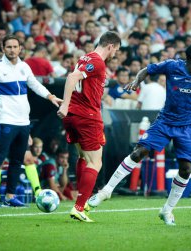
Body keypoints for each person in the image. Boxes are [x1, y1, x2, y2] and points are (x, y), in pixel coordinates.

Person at [88, 43, 191, 226]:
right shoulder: (173, 66)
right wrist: (138, 81)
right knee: (139, 152)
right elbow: (147, 69)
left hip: (187, 126)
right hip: (165, 122)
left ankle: (167, 210)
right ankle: (105, 192)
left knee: (186, 169)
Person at [0, 34, 62, 207]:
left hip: (23, 123)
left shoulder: (24, 67)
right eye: (9, 47)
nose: (12, 50)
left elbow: (35, 85)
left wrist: (50, 96)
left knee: (17, 161)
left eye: (15, 47)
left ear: (20, 48)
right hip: (5, 121)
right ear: (3, 48)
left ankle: (10, 196)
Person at [57, 31, 121, 222]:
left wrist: (68, 107)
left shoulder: (85, 57)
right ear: (110, 46)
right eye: (116, 50)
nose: (115, 54)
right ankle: (79, 207)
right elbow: (71, 78)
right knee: (96, 162)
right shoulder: (98, 61)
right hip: (87, 116)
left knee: (84, 157)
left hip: (74, 116)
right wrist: (65, 104)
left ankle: (81, 201)